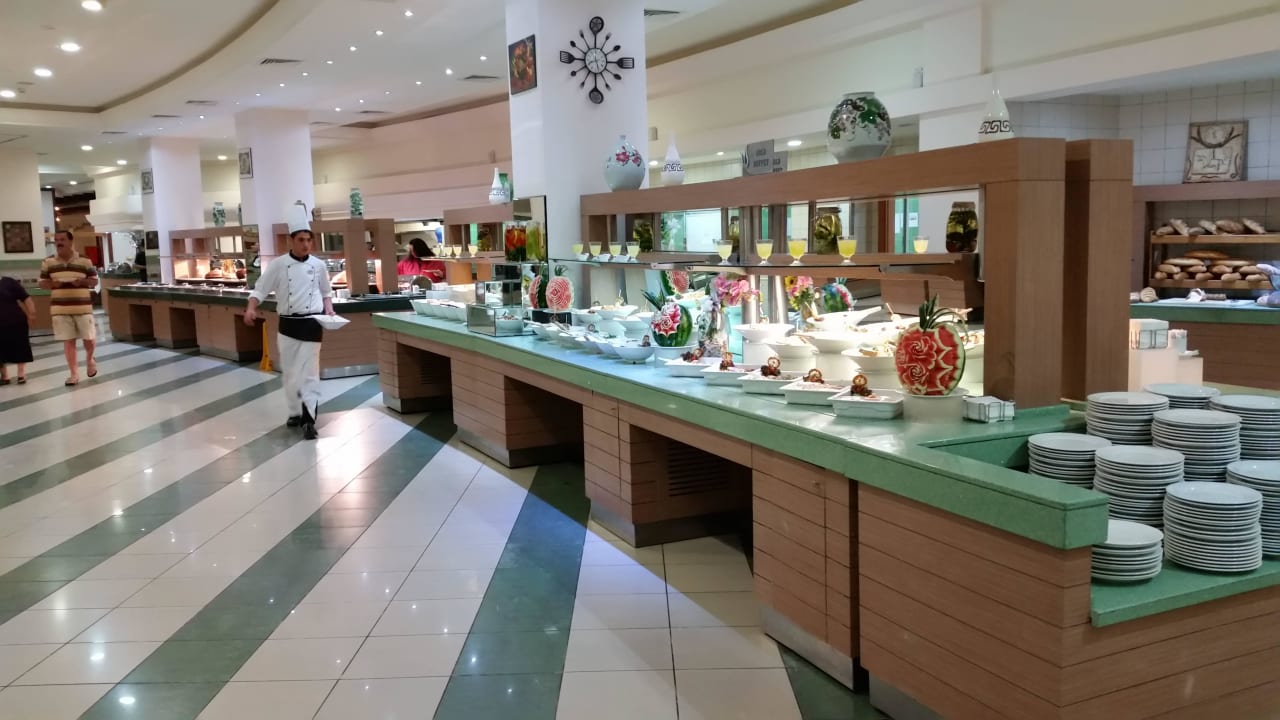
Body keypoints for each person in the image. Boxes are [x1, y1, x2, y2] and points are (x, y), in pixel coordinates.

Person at [244, 214, 334, 440]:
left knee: (310, 373)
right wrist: (251, 308)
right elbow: (260, 289)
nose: (305, 244)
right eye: (301, 240)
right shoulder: (278, 265)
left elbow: (326, 292)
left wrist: (329, 310)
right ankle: (295, 411)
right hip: (287, 325)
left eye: (309, 240)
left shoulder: (319, 265)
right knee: (291, 373)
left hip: (312, 323)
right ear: (291, 241)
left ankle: (309, 420)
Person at [39, 230, 98, 386]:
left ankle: (90, 359)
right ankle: (74, 374)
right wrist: (53, 284)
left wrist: (82, 282)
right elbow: (42, 283)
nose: (59, 242)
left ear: (70, 241)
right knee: (68, 341)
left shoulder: (85, 260)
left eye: (62, 239)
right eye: (57, 240)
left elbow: (94, 281)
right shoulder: (48, 261)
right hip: (60, 309)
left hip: (83, 307)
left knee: (89, 338)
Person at [0, 276, 34, 385]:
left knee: (20, 346)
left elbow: (26, 298)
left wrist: (31, 314)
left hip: (16, 320)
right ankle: (4, 376)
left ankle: (21, 374)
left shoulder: (8, 282)